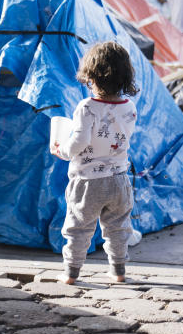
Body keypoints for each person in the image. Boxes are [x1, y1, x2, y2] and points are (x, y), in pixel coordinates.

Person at [50, 42, 139, 285]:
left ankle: (71, 273)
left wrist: (64, 151)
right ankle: (119, 271)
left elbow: (80, 140)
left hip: (88, 181)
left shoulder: (87, 107)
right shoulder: (129, 107)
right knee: (118, 228)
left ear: (91, 76)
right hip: (119, 180)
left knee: (79, 227)